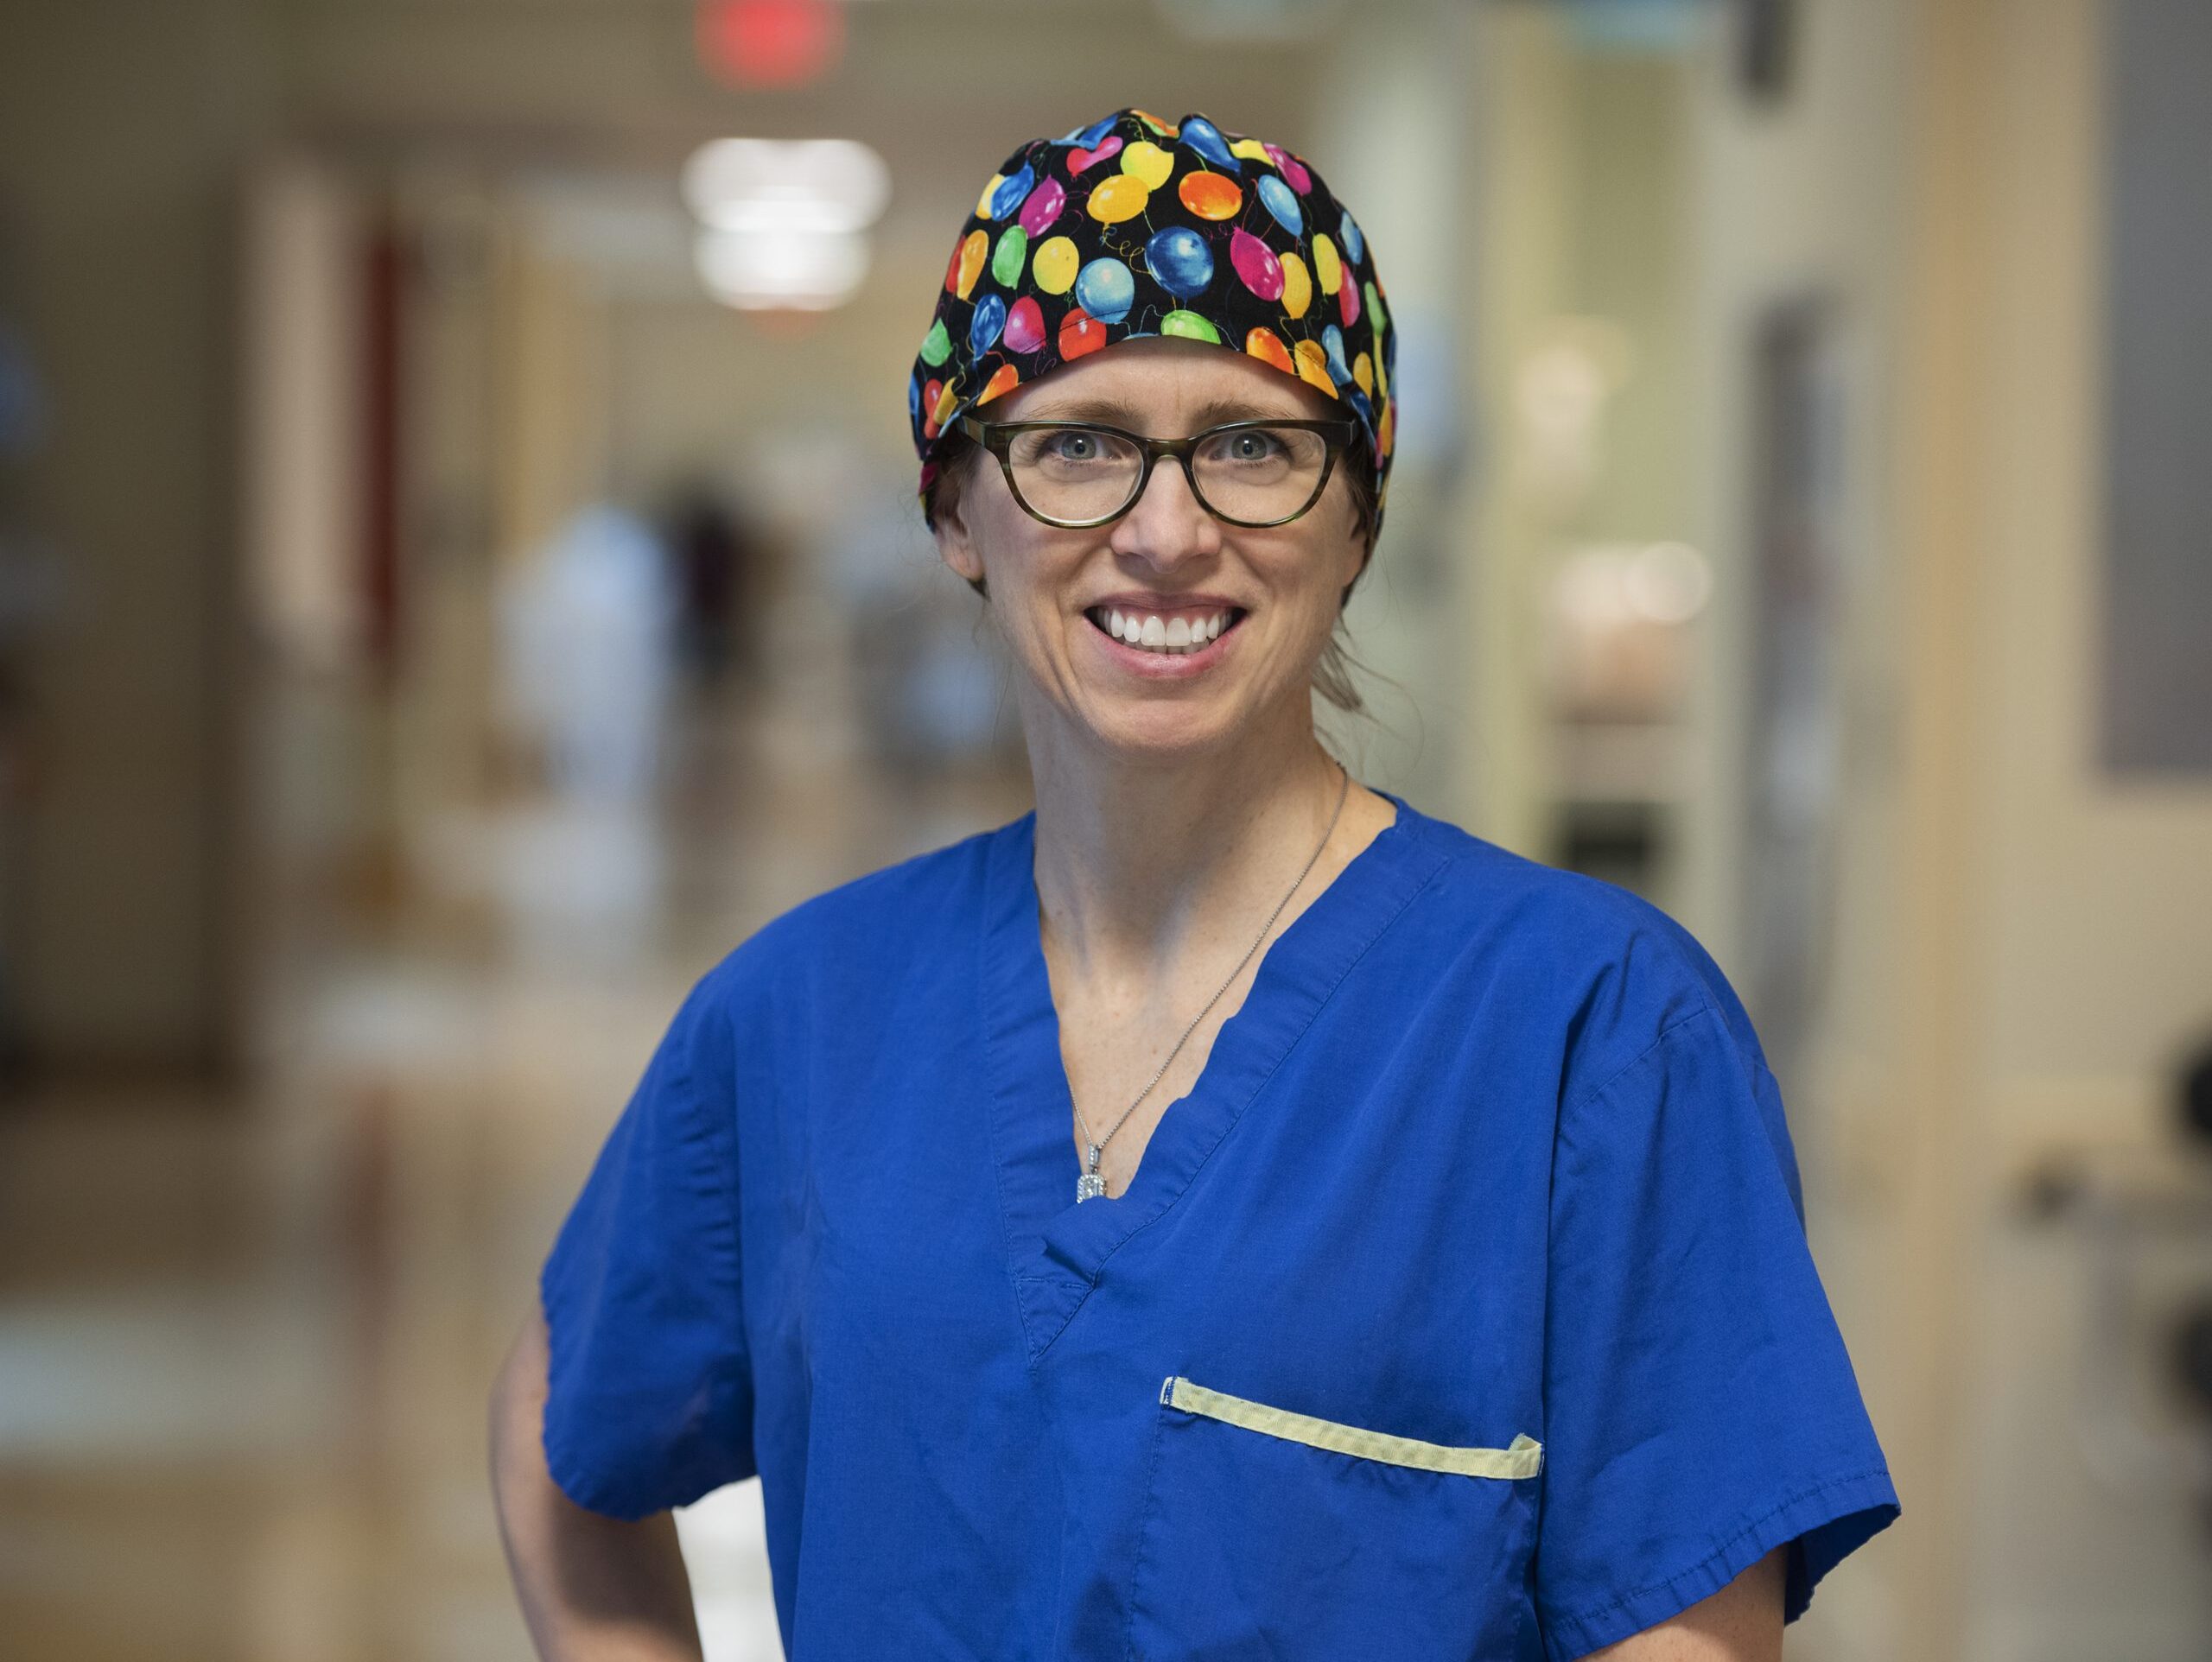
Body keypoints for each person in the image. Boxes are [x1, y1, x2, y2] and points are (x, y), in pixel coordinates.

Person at [489, 107, 1899, 1661]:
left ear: (1356, 509)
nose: (1168, 532)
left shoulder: (1594, 1030)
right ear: (958, 510)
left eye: (1251, 445)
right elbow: (567, 1429)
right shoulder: (804, 1012)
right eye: (1078, 443)